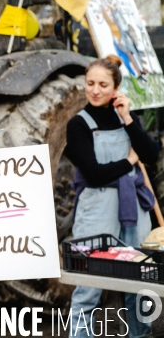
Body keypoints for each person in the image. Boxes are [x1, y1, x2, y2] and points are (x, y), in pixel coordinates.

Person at [65, 55, 158, 338]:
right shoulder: (78, 125)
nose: (95, 90)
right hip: (97, 206)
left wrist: (128, 118)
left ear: (116, 86)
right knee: (89, 283)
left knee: (140, 282)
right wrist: (129, 161)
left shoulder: (126, 117)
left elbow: (152, 155)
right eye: (90, 83)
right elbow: (94, 173)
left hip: (134, 208)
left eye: (103, 84)